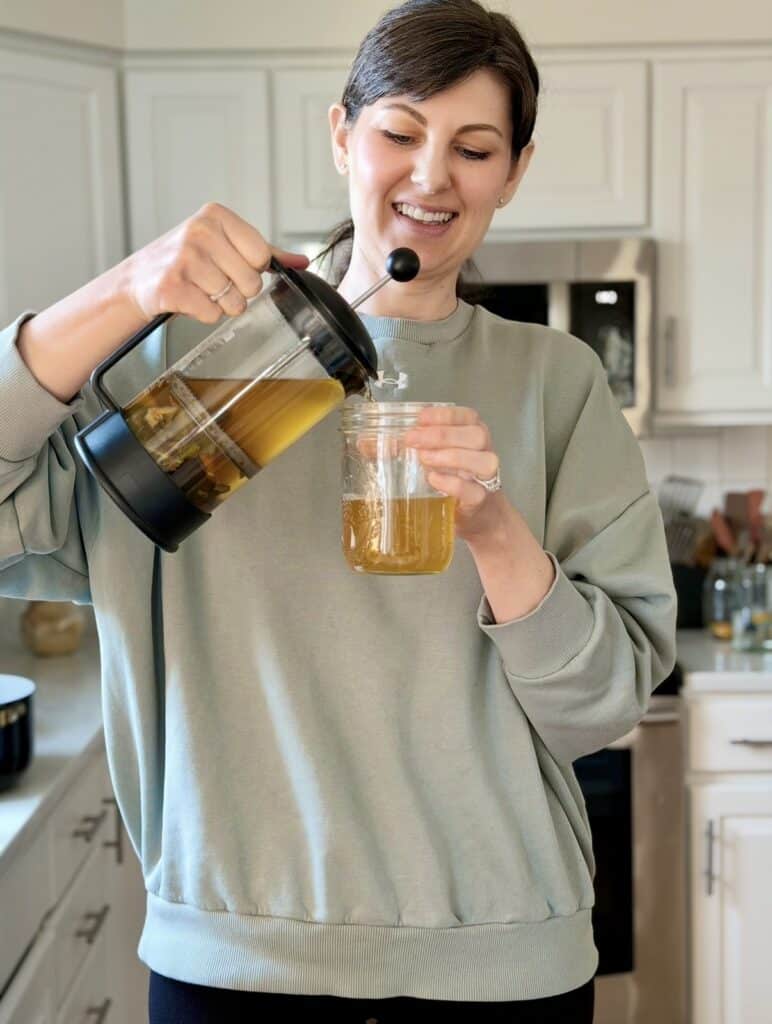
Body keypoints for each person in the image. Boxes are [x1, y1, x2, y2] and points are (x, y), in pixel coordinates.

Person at [0, 0, 676, 1020]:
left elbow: (602, 708)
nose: (431, 177)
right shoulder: (185, 360)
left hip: (503, 967)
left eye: (474, 149)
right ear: (341, 135)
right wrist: (125, 290)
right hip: (232, 963)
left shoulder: (559, 383)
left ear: (514, 171)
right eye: (400, 132)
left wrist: (495, 531)